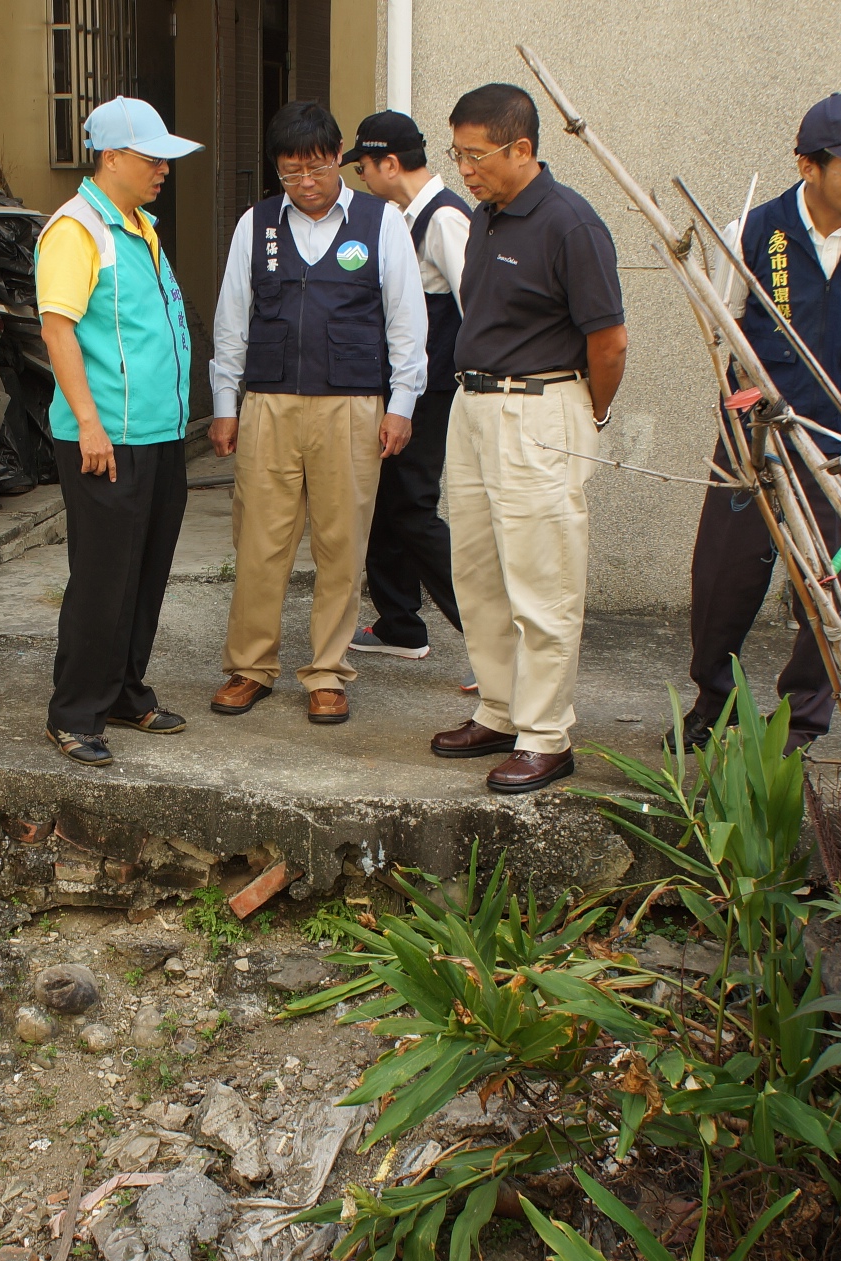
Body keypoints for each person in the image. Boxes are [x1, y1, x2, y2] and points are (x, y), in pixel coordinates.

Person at [682, 93, 841, 754]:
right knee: (724, 576)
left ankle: (801, 722)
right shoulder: (755, 231)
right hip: (755, 438)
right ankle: (715, 701)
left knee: (835, 582)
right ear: (808, 166)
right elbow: (725, 325)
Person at [425, 83, 627, 794]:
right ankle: (501, 709)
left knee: (543, 582)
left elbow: (609, 342)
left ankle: (546, 734)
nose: (466, 168)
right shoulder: (487, 217)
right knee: (478, 575)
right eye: (458, 154)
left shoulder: (570, 224)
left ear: (523, 148)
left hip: (539, 408)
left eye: (476, 155)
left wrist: (586, 416)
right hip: (474, 406)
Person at [207, 102, 426, 725]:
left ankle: (327, 671)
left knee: (342, 544)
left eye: (317, 166)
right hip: (270, 405)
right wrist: (226, 406)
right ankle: (250, 666)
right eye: (290, 170)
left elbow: (408, 323)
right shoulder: (255, 225)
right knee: (259, 541)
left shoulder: (381, 222)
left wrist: (401, 404)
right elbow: (232, 323)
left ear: (340, 160)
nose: (306, 181)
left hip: (352, 405)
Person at [33, 97, 201, 765]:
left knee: (145, 571)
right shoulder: (77, 229)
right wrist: (91, 424)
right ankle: (74, 712)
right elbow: (57, 328)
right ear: (111, 157)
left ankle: (125, 690)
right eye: (151, 157)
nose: (164, 168)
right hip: (106, 438)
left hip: (157, 433)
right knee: (103, 578)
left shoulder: (137, 224)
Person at [348, 110, 470, 671]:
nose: (361, 181)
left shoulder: (444, 220)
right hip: (407, 389)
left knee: (414, 509)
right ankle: (399, 622)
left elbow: (480, 312)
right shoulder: (406, 217)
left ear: (389, 164)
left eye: (364, 168)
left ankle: (487, 635)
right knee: (387, 504)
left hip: (432, 392)